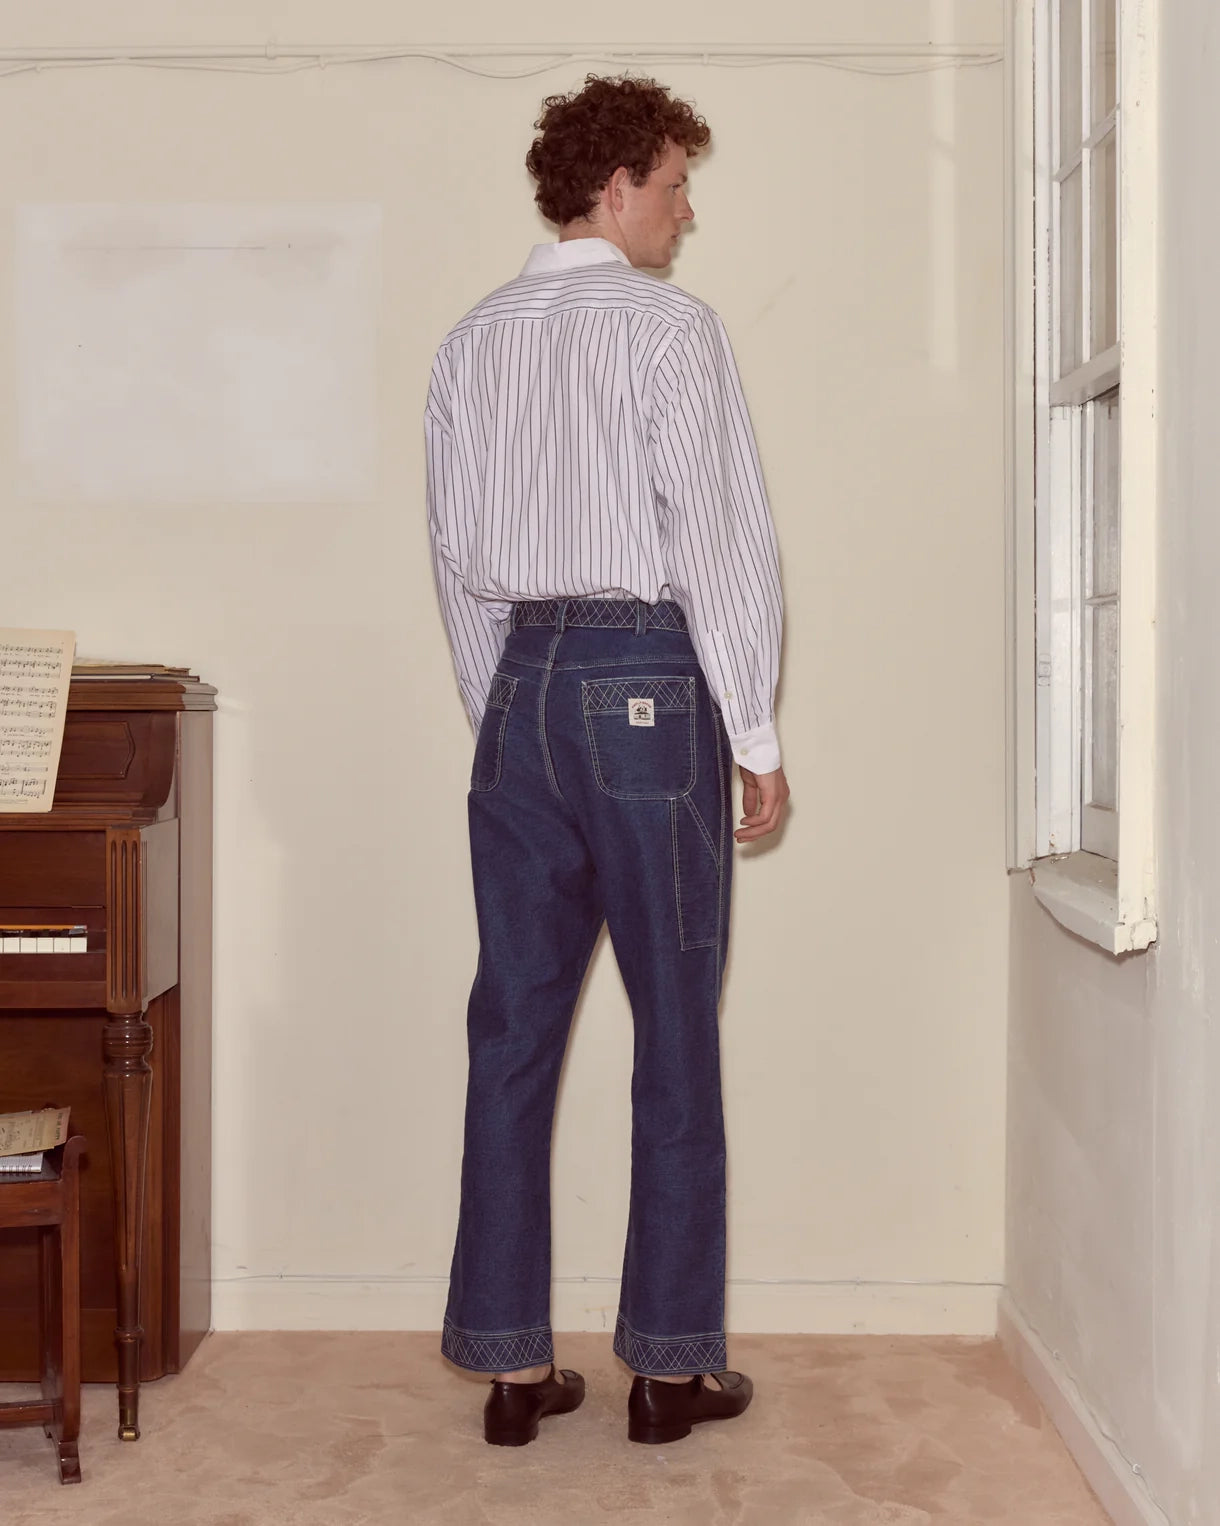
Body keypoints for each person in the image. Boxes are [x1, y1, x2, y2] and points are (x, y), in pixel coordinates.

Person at [425, 73, 788, 1447]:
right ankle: (669, 1369)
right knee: (676, 1029)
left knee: (512, 1031)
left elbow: (459, 561)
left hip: (520, 684)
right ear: (618, 184)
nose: (688, 214)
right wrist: (751, 726)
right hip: (649, 684)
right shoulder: (669, 331)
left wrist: (509, 712)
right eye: (679, 184)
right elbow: (721, 539)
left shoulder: (472, 341)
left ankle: (514, 1370)